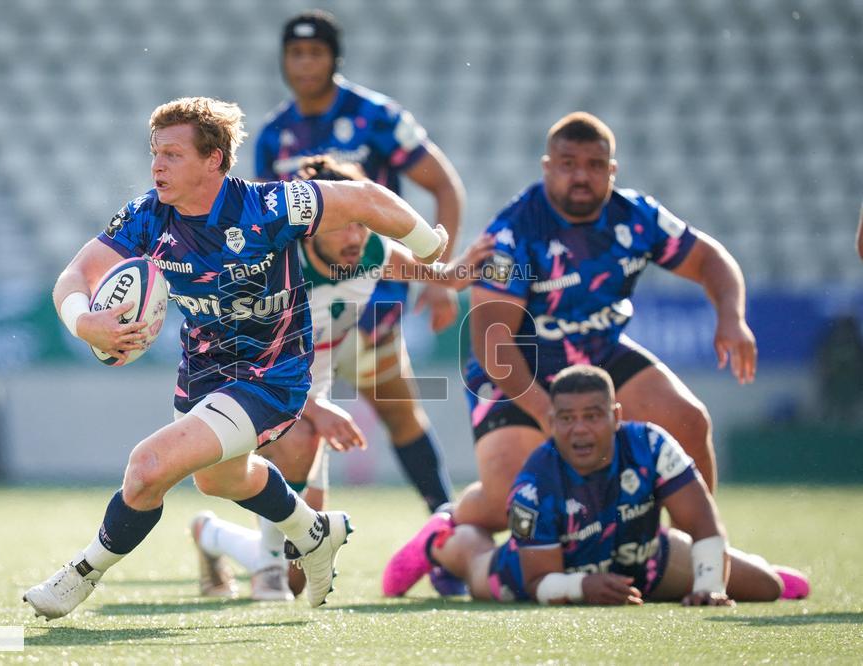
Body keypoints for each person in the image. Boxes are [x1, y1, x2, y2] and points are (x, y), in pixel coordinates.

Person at [22, 96, 449, 618]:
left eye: (173, 154)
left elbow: (363, 198)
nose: (157, 165)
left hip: (272, 376)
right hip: (204, 372)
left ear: (214, 160)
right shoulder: (147, 215)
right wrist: (83, 320)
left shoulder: (269, 207)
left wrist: (429, 244)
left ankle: (81, 574)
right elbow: (75, 274)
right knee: (218, 480)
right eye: (155, 152)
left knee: (148, 467)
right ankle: (313, 532)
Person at [190, 157, 493, 601]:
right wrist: (317, 408)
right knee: (300, 438)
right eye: (343, 225)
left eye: (362, 224)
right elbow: (245, 363)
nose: (355, 236)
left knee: (299, 575)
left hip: (308, 399)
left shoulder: (371, 252)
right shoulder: (274, 265)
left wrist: (472, 267)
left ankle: (211, 534)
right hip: (253, 393)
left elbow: (438, 277)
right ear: (310, 226)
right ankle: (268, 567)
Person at [454, 111, 757, 535]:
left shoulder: (636, 216)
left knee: (689, 421)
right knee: (511, 500)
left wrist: (731, 316)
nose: (581, 176)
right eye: (568, 164)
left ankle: (696, 550)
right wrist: (549, 413)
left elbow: (710, 259)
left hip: (598, 355)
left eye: (595, 165)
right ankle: (447, 526)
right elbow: (492, 344)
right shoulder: (513, 232)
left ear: (612, 171)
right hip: (518, 372)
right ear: (547, 168)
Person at [256, 10, 466, 519]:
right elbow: (268, 231)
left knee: (401, 414)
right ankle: (273, 545)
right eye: (295, 53)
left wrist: (439, 277)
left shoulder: (378, 117)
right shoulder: (272, 136)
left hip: (373, 299)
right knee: (294, 436)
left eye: (316, 52)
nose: (305, 64)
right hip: (306, 315)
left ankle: (445, 521)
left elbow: (444, 186)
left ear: (335, 58)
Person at [383, 365, 810, 605]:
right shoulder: (534, 482)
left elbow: (702, 522)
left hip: (641, 560)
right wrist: (580, 587)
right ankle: (440, 539)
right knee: (478, 569)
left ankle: (742, 567)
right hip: (540, 569)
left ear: (616, 416)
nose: (580, 430)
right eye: (567, 419)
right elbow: (539, 581)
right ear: (552, 423)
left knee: (765, 588)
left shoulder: (652, 445)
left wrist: (710, 584)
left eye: (592, 416)